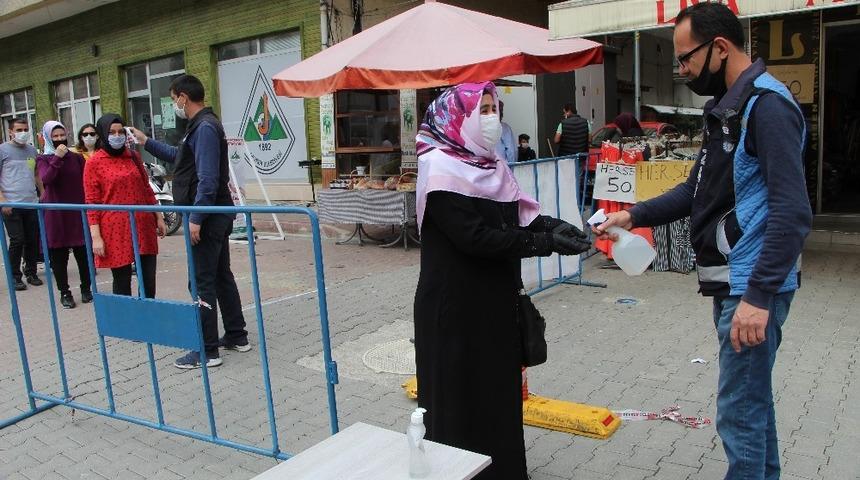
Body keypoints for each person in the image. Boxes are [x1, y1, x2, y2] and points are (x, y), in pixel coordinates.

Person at [593, 3, 811, 479]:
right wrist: (633, 214)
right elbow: (694, 191)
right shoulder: (727, 111)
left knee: (738, 414)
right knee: (752, 406)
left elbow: (793, 212)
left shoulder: (767, 107)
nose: (683, 70)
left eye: (685, 58)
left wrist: (758, 296)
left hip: (750, 287)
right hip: (733, 284)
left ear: (720, 48)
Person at [413, 82, 590, 480]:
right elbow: (475, 237)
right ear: (458, 118)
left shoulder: (491, 164)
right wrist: (544, 243)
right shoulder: (439, 169)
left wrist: (553, 226)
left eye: (494, 108)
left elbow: (515, 216)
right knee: (460, 400)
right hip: (455, 311)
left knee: (497, 396)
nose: (492, 118)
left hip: (494, 305)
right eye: (483, 110)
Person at [132, 74, 249, 370]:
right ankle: (236, 335)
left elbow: (208, 179)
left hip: (208, 216)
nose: (175, 105)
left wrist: (196, 218)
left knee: (200, 281)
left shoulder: (205, 127)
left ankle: (207, 351)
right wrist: (147, 142)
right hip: (213, 214)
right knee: (220, 275)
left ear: (183, 97)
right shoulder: (198, 127)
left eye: (174, 99)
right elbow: (180, 157)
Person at [84, 114, 166, 299]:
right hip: (116, 228)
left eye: (120, 131)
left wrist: (158, 216)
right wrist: (96, 237)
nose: (117, 136)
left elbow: (146, 188)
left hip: (142, 224)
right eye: (112, 132)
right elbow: (92, 202)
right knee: (122, 281)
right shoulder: (94, 163)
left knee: (148, 280)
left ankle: (146, 314)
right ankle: (124, 317)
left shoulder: (133, 157)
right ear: (103, 134)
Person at [36, 121, 91, 308]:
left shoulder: (76, 158)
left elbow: (86, 181)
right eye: (55, 136)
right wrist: (57, 158)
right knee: (59, 256)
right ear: (48, 138)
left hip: (77, 212)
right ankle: (65, 292)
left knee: (83, 253)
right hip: (56, 213)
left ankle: (86, 288)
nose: (60, 139)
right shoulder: (43, 159)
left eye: (62, 135)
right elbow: (47, 179)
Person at [0, 117, 44, 290]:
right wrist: (3, 201)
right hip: (11, 204)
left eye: (25, 129)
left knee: (32, 239)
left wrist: (42, 192)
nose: (23, 133)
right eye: (19, 130)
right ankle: (14, 276)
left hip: (31, 202)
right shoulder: (3, 150)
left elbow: (36, 173)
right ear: (10, 132)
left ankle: (31, 272)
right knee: (17, 239)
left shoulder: (32, 150)